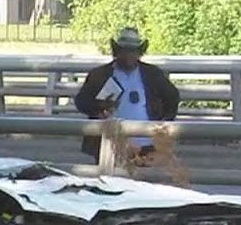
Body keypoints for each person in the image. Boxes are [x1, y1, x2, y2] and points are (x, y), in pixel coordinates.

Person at [74, 27, 180, 165]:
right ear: (117, 51)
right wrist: (98, 106)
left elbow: (172, 97)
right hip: (108, 143)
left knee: (142, 183)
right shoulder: (99, 75)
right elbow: (81, 101)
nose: (129, 55)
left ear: (139, 52)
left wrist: (163, 123)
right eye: (125, 50)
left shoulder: (153, 74)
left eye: (133, 51)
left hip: (146, 143)